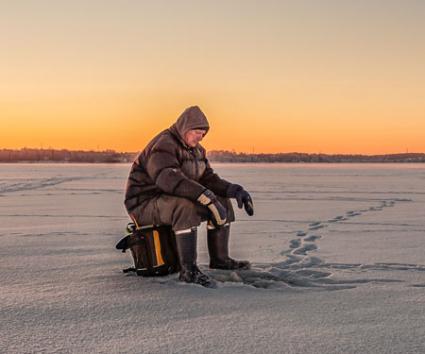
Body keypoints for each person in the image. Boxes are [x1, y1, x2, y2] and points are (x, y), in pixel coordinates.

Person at [124, 106, 254, 287]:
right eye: (197, 132)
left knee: (221, 201)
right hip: (143, 203)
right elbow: (167, 179)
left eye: (203, 134)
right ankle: (189, 270)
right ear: (184, 129)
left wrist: (235, 190)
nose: (200, 137)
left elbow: (208, 179)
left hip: (167, 199)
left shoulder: (197, 151)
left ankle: (220, 260)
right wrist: (205, 196)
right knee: (185, 206)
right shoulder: (164, 144)